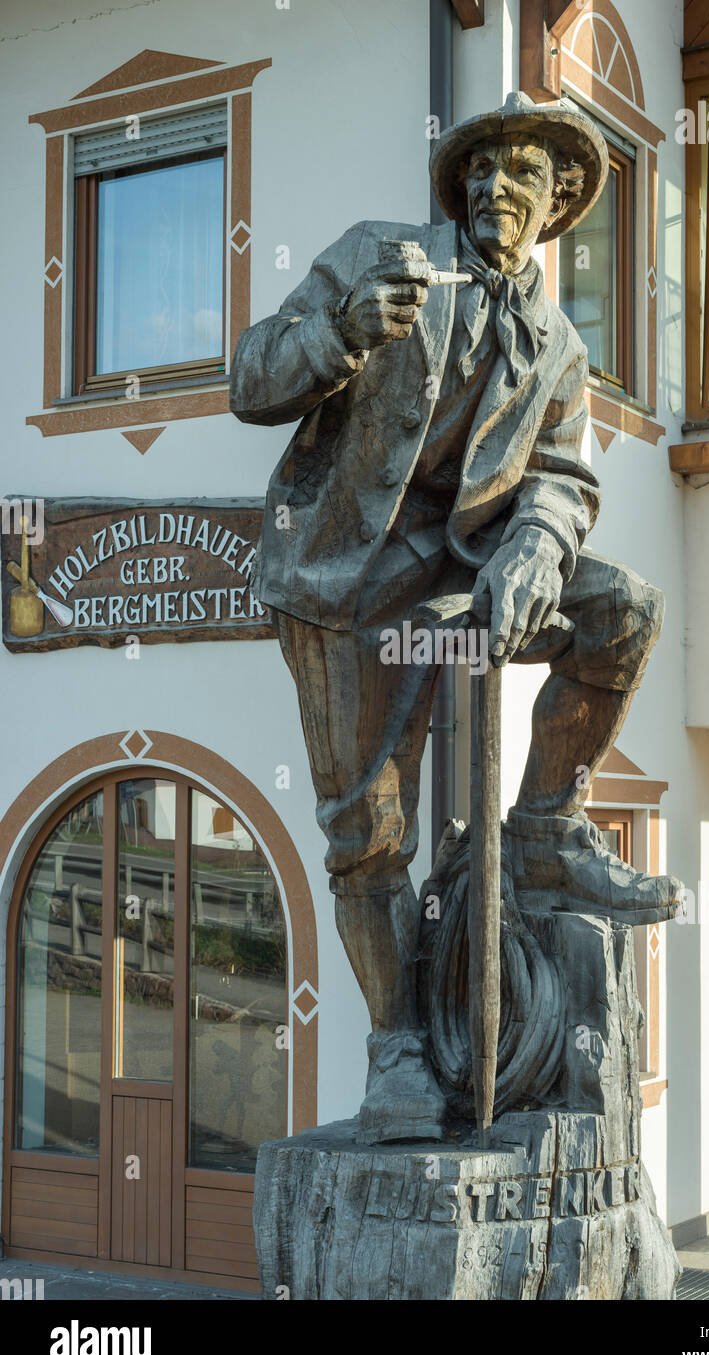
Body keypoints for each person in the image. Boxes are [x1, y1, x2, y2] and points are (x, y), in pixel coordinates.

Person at [231, 92, 684, 1142]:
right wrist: (339, 334)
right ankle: (397, 1050)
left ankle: (544, 826)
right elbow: (249, 378)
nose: (493, 187)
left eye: (521, 172)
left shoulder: (561, 348)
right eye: (479, 170)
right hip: (344, 580)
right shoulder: (382, 258)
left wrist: (535, 545)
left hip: (469, 563)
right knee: (366, 834)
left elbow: (566, 478)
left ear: (558, 201)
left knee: (623, 615)